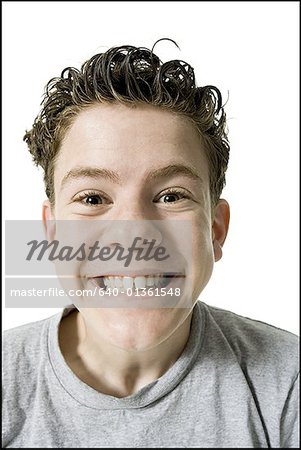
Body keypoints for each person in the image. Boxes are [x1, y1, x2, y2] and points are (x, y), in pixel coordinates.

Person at [2, 41, 299, 448]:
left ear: (216, 229)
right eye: (92, 199)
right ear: (52, 232)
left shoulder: (288, 385)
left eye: (171, 196)